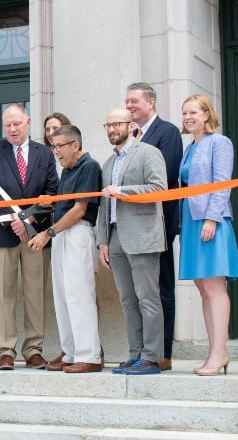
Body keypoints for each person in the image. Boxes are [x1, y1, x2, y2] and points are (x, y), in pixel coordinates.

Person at [0, 103, 58, 370]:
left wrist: (29, 219)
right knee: (3, 294)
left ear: (28, 122)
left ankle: (34, 350)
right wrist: (14, 219)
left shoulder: (45, 154)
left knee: (36, 293)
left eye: (17, 124)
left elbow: (51, 192)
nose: (12, 129)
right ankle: (6, 351)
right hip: (3, 234)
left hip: (36, 234)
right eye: (8, 125)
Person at [96, 108, 168, 375]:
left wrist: (123, 191)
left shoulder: (148, 153)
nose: (112, 129)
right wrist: (102, 242)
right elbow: (105, 206)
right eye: (108, 125)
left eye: (116, 124)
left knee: (148, 298)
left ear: (130, 126)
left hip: (143, 236)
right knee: (127, 300)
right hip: (115, 238)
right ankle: (135, 354)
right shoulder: (108, 163)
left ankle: (152, 357)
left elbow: (159, 189)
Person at [28, 125, 103, 373]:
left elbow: (79, 209)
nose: (56, 152)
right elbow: (64, 206)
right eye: (53, 147)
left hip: (77, 233)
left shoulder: (89, 166)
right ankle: (70, 352)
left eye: (60, 146)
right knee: (62, 297)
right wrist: (48, 205)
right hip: (62, 235)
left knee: (79, 296)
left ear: (75, 145)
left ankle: (89, 355)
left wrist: (48, 233)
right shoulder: (67, 170)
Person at [178, 95, 238, 376]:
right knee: (203, 289)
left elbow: (222, 183)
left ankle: (220, 353)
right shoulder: (189, 147)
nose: (188, 117)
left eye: (193, 112)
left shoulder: (220, 142)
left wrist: (212, 219)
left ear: (207, 114)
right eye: (184, 113)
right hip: (191, 222)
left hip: (210, 221)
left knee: (215, 288)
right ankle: (214, 351)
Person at [125, 82, 182, 371]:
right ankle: (143, 350)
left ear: (151, 102)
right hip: (130, 227)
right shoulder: (129, 136)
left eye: (134, 101)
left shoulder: (167, 132)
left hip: (159, 224)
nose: (130, 106)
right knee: (138, 293)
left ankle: (163, 352)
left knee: (162, 290)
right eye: (127, 102)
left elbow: (166, 176)